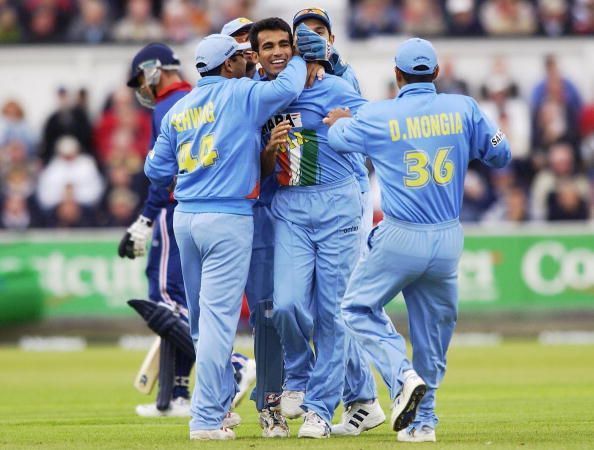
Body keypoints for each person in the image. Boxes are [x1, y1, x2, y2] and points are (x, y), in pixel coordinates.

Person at [324, 38, 511, 442]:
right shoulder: (463, 107)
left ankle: (401, 375)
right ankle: (424, 424)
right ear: (437, 74)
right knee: (432, 334)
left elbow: (338, 139)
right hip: (447, 238)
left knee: (356, 308)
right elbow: (501, 154)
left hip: (400, 234)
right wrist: (482, 138)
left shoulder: (380, 114)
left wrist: (340, 119)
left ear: (397, 75)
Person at [144, 33, 308, 440]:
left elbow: (154, 170)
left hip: (187, 217)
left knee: (202, 323)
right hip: (228, 217)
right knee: (218, 322)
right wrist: (304, 54)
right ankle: (204, 419)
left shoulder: (179, 110)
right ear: (229, 64)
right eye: (241, 56)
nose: (248, 60)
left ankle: (216, 407)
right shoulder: (241, 93)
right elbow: (288, 85)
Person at [119, 42, 254, 421]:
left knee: (167, 300)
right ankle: (176, 394)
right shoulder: (200, 98)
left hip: (178, 210)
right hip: (211, 207)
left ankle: (235, 365)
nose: (140, 88)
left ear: (153, 70)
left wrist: (145, 219)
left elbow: (159, 175)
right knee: (181, 299)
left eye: (140, 79)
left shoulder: (170, 108)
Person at [249, 18, 365, 439]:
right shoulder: (260, 97)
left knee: (333, 315)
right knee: (287, 306)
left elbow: (375, 125)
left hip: (337, 203)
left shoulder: (333, 87)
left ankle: (319, 409)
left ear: (300, 53)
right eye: (270, 46)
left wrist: (348, 123)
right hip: (289, 206)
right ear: (257, 55)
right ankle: (299, 374)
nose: (279, 52)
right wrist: (269, 150)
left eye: (287, 45)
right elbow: (256, 170)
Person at [291, 7, 384, 436]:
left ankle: (325, 402)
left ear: (331, 37)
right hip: (307, 199)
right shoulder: (289, 80)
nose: (312, 37)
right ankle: (363, 397)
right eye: (304, 31)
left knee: (334, 307)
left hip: (349, 197)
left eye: (319, 30)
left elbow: (372, 129)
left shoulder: (342, 78)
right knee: (317, 308)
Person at [221, 17, 289, 438]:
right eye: (240, 45)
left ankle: (271, 402)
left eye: (253, 43)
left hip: (266, 213)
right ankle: (217, 400)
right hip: (225, 213)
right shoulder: (216, 98)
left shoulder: (276, 91)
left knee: (268, 313)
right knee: (212, 315)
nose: (248, 52)